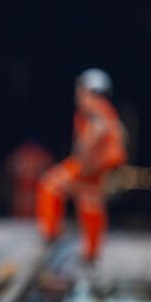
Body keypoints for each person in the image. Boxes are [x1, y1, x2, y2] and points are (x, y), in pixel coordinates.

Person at [36, 69, 127, 262]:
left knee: (50, 185)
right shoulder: (106, 108)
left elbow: (100, 129)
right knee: (90, 203)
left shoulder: (92, 105)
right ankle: (91, 252)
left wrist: (83, 148)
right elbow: (119, 134)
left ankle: (52, 233)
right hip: (97, 167)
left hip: (88, 165)